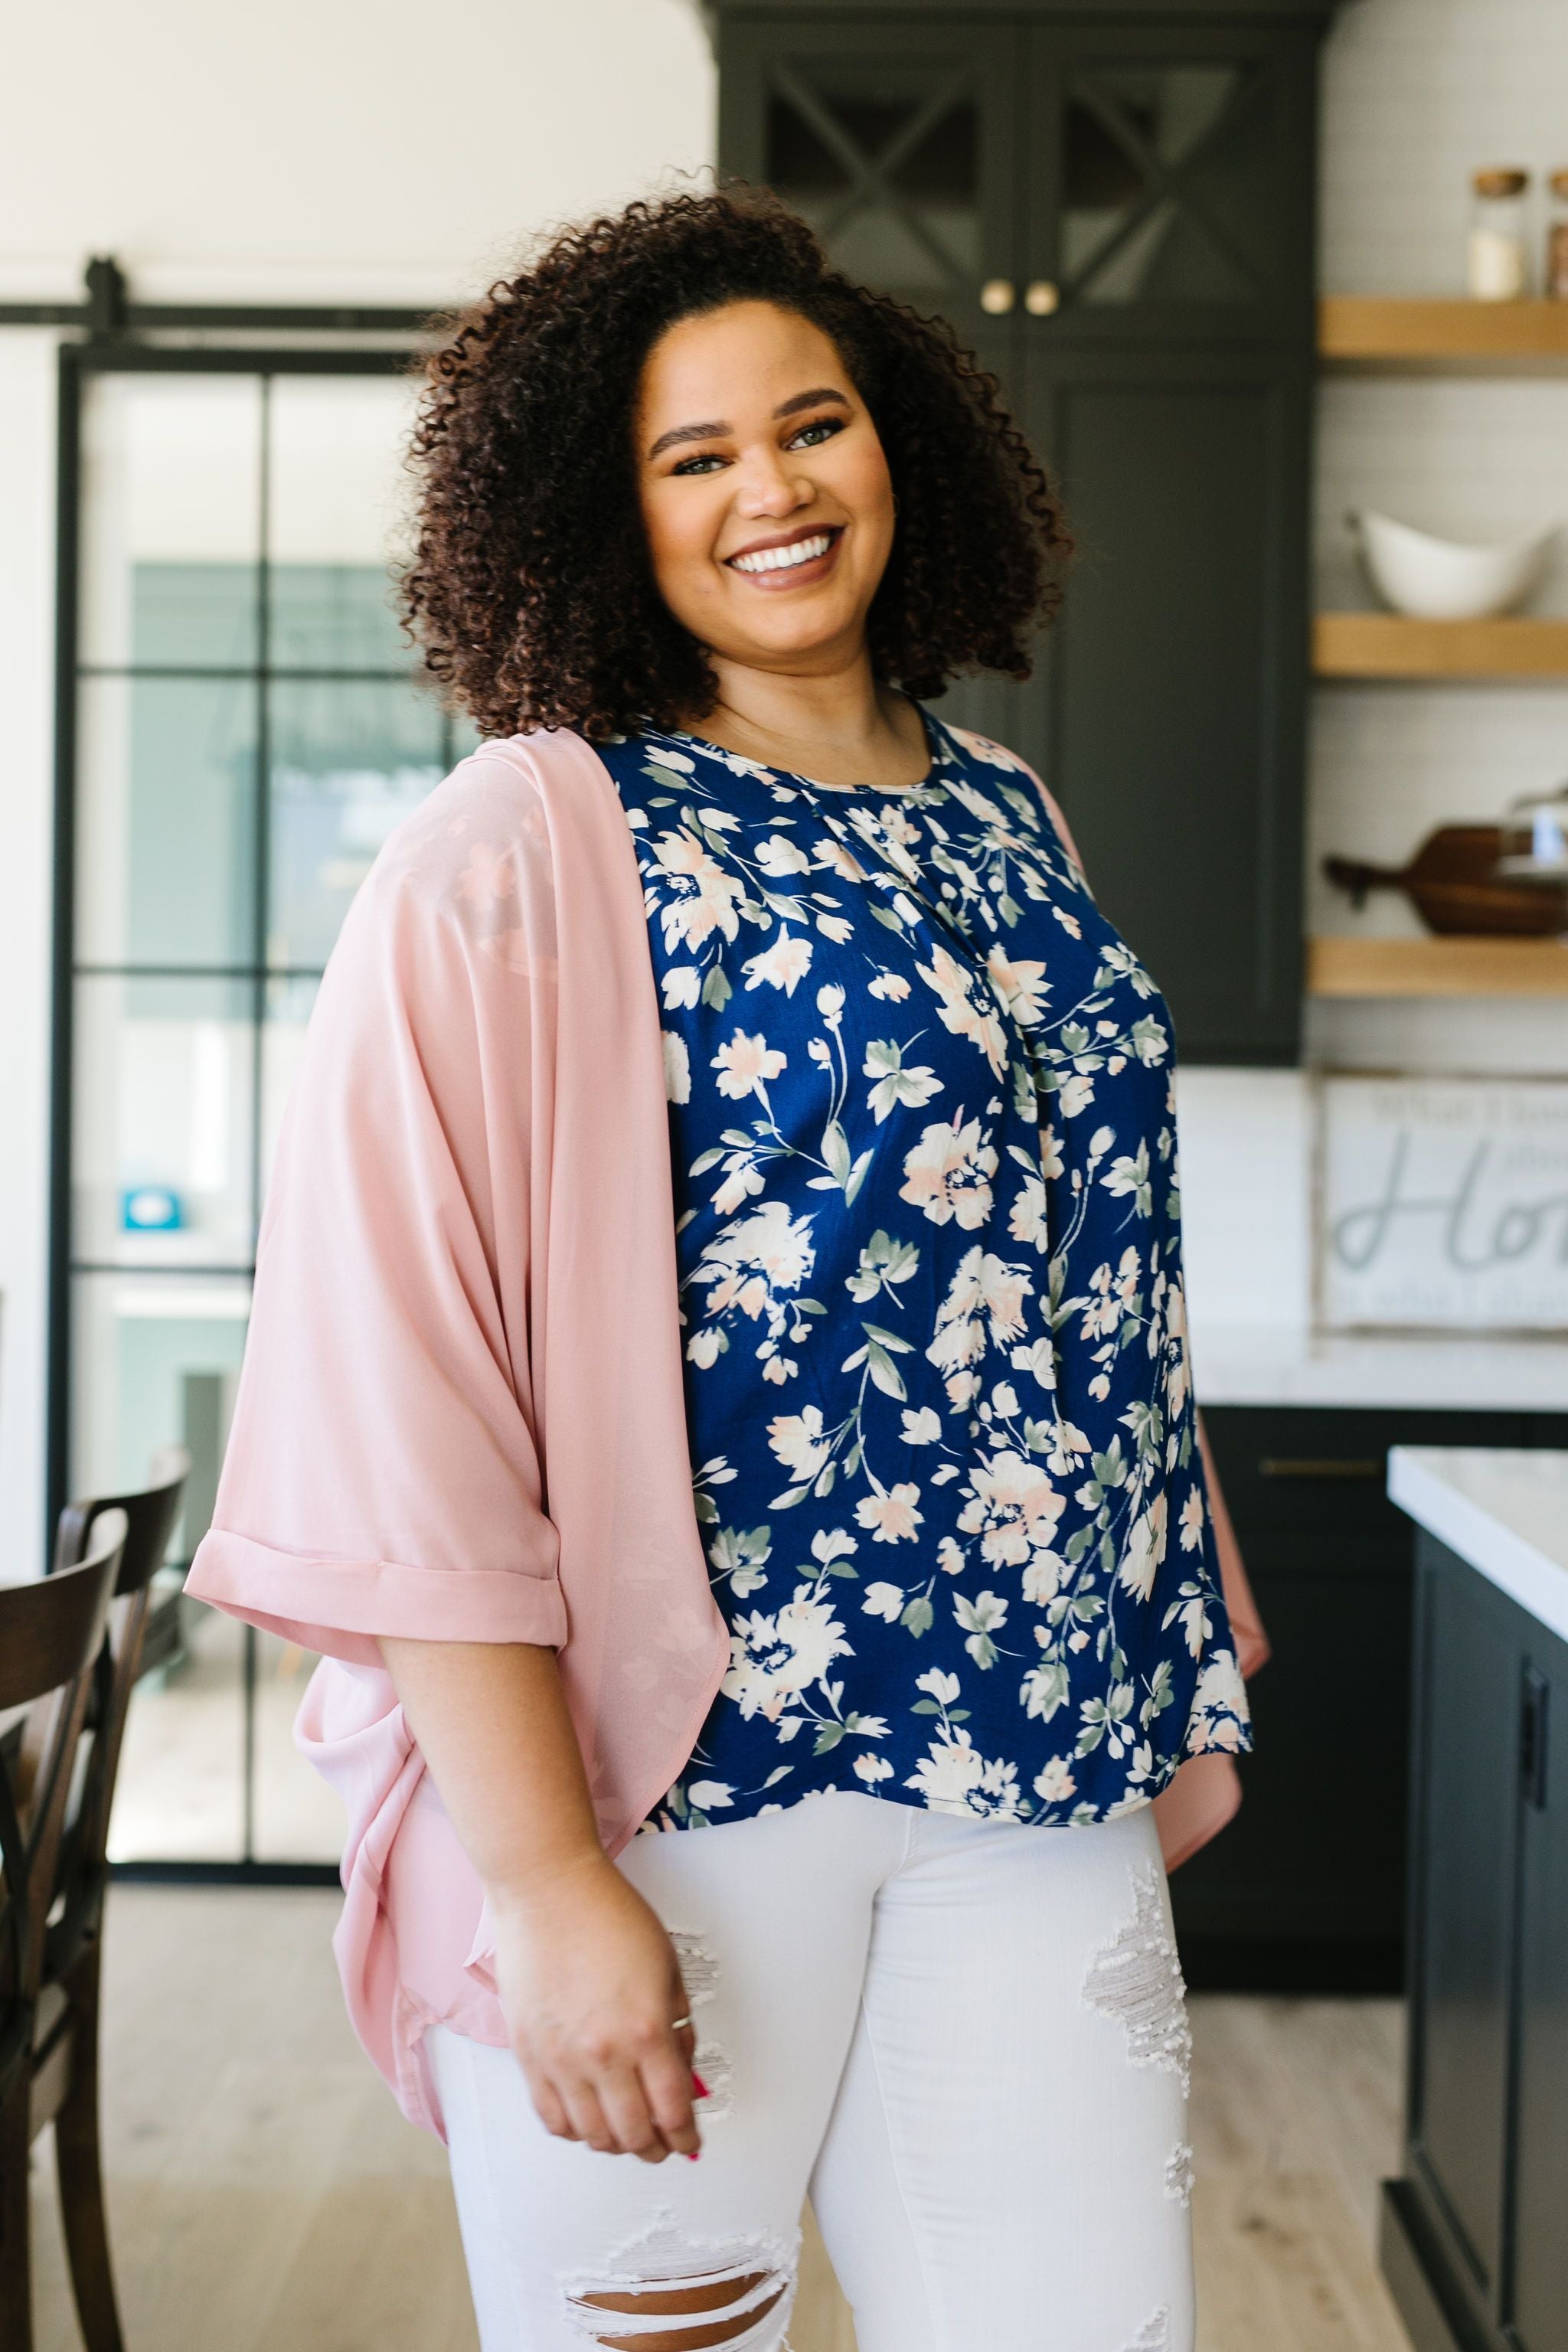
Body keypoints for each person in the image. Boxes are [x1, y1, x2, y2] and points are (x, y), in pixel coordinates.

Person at [188, 184, 1266, 2352]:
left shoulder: (1006, 815)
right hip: (692, 1799)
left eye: (816, 425)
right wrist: (542, 1883)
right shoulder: (520, 841)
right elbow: (408, 1402)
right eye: (693, 459)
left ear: (906, 452)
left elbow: (1079, 1268)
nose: (773, 490)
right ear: (604, 514)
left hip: (1041, 1766)